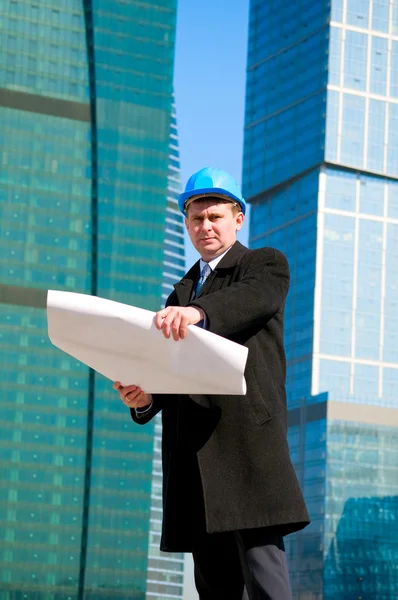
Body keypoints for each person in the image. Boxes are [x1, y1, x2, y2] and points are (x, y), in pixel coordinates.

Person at [113, 167, 310, 599]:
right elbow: (172, 366)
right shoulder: (179, 292)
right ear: (186, 224)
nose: (205, 227)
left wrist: (198, 313)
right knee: (215, 586)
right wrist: (146, 395)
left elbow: (250, 301)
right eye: (196, 218)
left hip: (247, 453)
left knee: (265, 579)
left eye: (215, 216)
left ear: (238, 218)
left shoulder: (263, 265)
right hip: (195, 457)